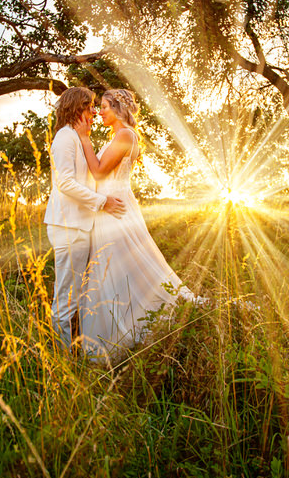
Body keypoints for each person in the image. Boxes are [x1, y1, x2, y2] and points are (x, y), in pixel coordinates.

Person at [77, 88, 201, 359]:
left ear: (119, 109)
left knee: (119, 266)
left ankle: (123, 333)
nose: (100, 111)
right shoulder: (119, 135)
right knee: (119, 267)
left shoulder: (124, 135)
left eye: (105, 107)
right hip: (109, 204)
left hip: (115, 208)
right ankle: (124, 326)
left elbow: (98, 171)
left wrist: (84, 138)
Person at [44, 87, 125, 350]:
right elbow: (65, 183)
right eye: (90, 105)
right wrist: (103, 202)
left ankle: (71, 350)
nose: (93, 111)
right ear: (76, 108)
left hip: (79, 225)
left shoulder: (78, 138)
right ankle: (63, 361)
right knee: (66, 298)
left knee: (75, 295)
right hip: (69, 226)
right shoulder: (65, 137)